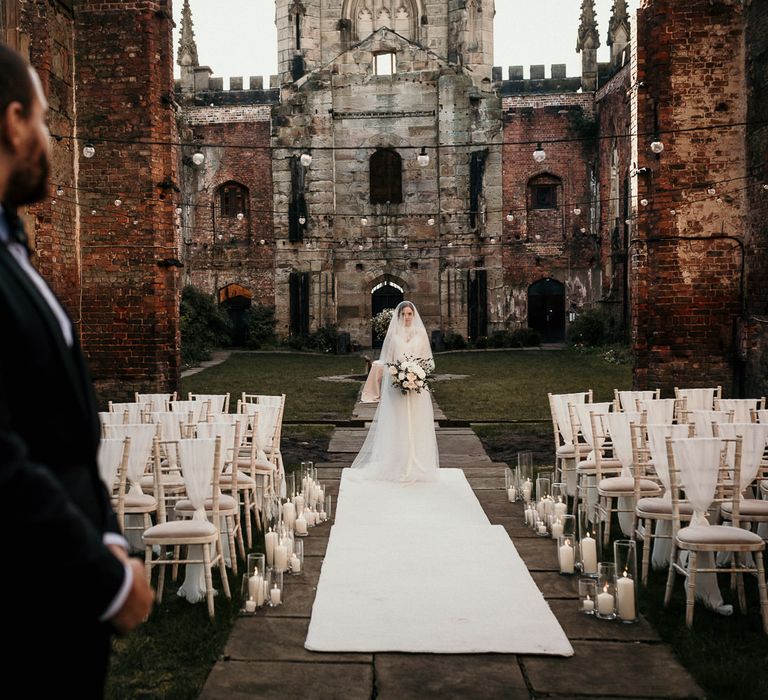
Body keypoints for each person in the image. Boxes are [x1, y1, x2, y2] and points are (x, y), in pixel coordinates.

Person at [0, 44, 153, 695]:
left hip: (60, 614)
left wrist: (113, 539)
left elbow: (60, 433)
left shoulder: (12, 251)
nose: (51, 141)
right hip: (23, 622)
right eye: (43, 122)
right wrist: (107, 576)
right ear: (12, 123)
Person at [351, 301, 439, 482]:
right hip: (398, 386)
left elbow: (429, 361)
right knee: (399, 423)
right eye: (403, 314)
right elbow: (388, 361)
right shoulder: (393, 335)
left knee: (416, 423)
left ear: (414, 316)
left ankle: (416, 461)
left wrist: (417, 375)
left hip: (418, 389)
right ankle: (398, 461)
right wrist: (400, 376)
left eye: (409, 314)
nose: (407, 318)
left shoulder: (421, 334)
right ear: (398, 316)